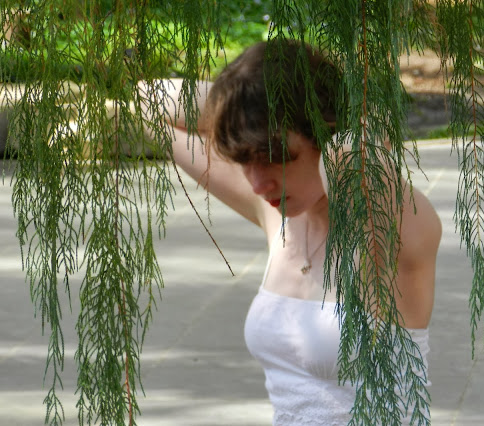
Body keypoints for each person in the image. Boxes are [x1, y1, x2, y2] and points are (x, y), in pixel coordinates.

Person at [142, 41, 442, 425]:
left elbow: (354, 149)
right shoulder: (277, 219)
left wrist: (322, 107)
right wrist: (241, 100)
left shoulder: (391, 226)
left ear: (326, 134)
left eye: (274, 157)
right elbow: (149, 101)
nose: (257, 184)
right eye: (243, 161)